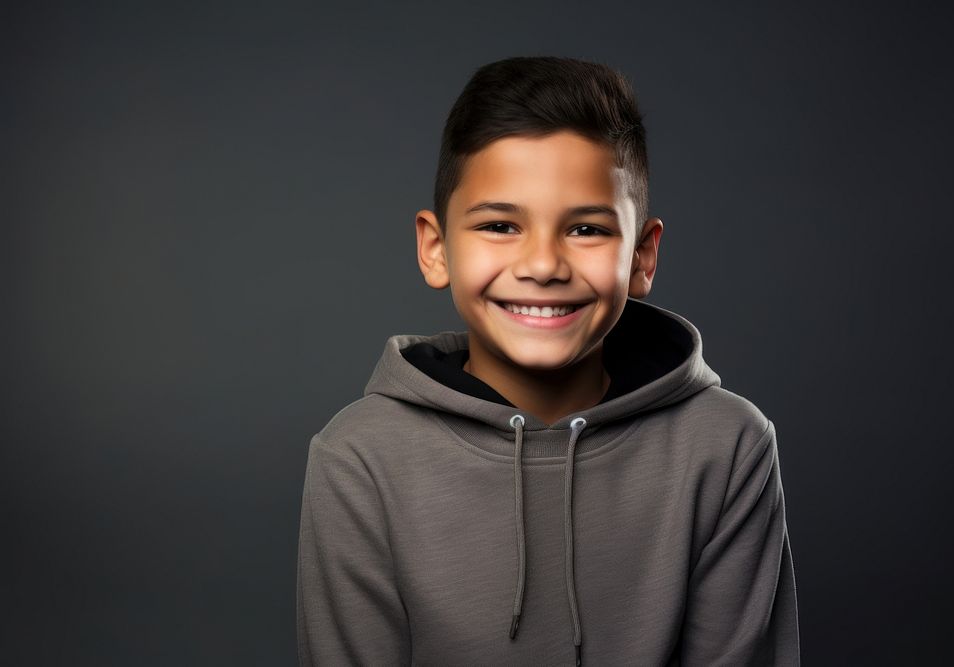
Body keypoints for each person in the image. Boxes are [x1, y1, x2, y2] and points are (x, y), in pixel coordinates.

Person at [297, 55, 800, 666]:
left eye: (586, 230)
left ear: (642, 256)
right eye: (501, 226)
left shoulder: (728, 446)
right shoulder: (359, 457)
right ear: (436, 249)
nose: (542, 265)